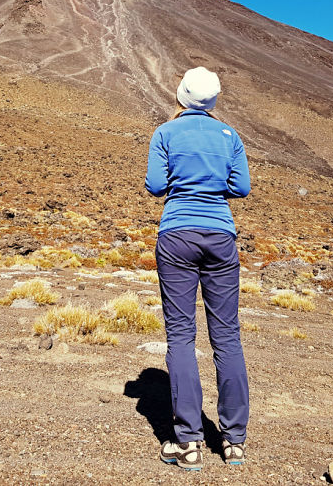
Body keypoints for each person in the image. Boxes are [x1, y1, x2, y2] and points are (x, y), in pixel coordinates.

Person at [144, 66, 251, 471]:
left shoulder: (165, 133)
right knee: (227, 336)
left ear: (182, 95)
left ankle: (187, 441)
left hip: (176, 237)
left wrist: (183, 181)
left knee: (180, 336)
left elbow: (155, 185)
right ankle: (234, 440)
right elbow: (241, 187)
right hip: (221, 238)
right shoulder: (230, 136)